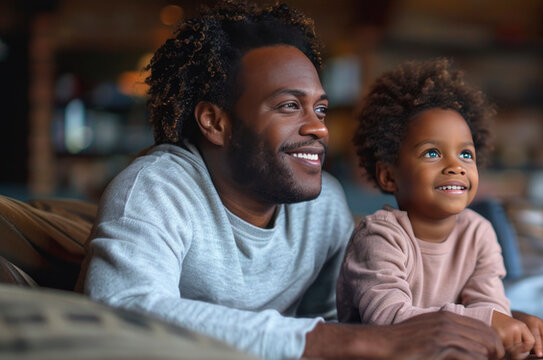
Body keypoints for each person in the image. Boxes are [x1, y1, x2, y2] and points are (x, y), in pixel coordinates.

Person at [79, 2, 504, 359]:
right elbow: (122, 310)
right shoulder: (156, 188)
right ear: (215, 122)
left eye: (320, 110)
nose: (319, 128)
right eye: (288, 106)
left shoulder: (324, 205)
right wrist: (352, 342)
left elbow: (340, 321)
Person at [339, 59, 543, 359]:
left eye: (466, 154)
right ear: (389, 176)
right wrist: (487, 323)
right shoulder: (379, 237)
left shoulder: (478, 232)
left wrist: (513, 332)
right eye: (432, 153)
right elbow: (389, 320)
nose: (456, 166)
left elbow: (490, 306)